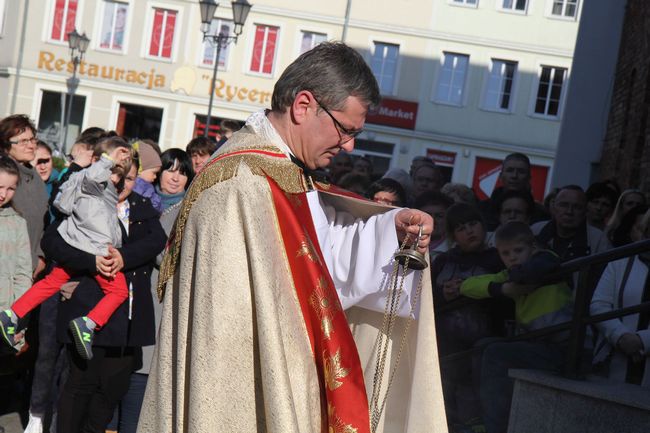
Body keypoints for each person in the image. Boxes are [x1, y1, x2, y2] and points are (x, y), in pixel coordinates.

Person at [138, 42, 446, 433]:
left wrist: (392, 229)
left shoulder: (285, 171)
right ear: (303, 106)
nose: (349, 145)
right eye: (346, 130)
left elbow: (322, 255)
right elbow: (223, 346)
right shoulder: (241, 185)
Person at [42, 156, 165, 433]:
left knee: (113, 387)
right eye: (115, 175)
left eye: (130, 178)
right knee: (80, 385)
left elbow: (156, 241)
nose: (120, 183)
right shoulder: (84, 199)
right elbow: (51, 242)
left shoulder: (142, 209)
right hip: (89, 309)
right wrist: (91, 260)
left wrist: (124, 256)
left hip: (128, 317)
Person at [0, 140, 133, 361]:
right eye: (115, 171)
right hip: (96, 248)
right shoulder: (94, 180)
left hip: (80, 244)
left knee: (51, 282)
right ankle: (87, 324)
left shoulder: (89, 183)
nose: (115, 178)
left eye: (120, 174)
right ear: (98, 162)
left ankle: (11, 315)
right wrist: (108, 162)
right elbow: (92, 177)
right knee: (119, 291)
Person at [461, 222, 573, 433]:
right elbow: (468, 285)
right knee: (482, 346)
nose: (512, 257)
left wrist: (507, 284)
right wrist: (502, 288)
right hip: (539, 343)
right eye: (505, 253)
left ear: (533, 246)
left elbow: (525, 275)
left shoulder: (547, 259)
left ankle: (496, 428)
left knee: (496, 352)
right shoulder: (512, 272)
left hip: (564, 348)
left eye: (518, 251)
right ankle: (482, 419)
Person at [431, 202, 511, 431]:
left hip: (482, 346)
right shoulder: (443, 261)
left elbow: (508, 300)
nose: (469, 231)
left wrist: (476, 290)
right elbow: (424, 299)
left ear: (483, 226)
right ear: (453, 235)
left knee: (474, 412)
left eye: (473, 224)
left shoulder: (497, 258)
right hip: (445, 347)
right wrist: (444, 294)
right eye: (461, 227)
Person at [591, 208, 650, 387]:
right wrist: (621, 336)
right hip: (616, 357)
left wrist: (642, 341)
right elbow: (598, 305)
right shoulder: (618, 264)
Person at [0, 155, 32, 433]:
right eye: (0, 186)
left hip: (4, 318)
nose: (4, 194)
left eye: (10, 189)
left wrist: (17, 315)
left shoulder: (17, 222)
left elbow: (24, 274)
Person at [0, 115, 49, 277]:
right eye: (23, 142)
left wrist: (41, 256)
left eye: (32, 140)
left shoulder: (35, 177)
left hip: (32, 268)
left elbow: (43, 221)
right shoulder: (4, 176)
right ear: (6, 146)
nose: (31, 146)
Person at [478, 153, 548, 231]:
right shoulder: (481, 209)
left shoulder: (541, 214)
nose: (514, 176)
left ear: (529, 178)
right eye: (510, 170)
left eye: (521, 171)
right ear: (501, 176)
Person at [414, 191, 454, 260]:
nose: (432, 221)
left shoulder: (453, 250)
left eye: (439, 216)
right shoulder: (403, 245)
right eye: (427, 215)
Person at [132, 140, 163, 213]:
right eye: (154, 173)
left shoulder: (127, 182)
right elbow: (155, 207)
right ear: (141, 169)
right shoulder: (146, 187)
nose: (155, 177)